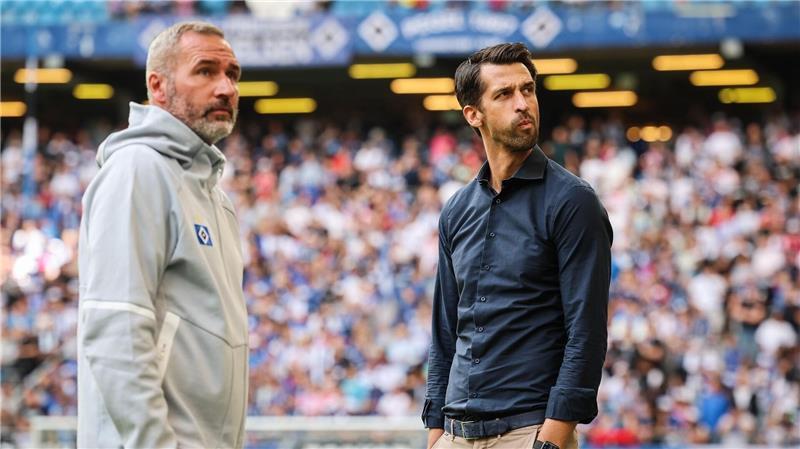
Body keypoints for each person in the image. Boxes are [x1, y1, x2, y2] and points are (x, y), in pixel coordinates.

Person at [423, 43, 613, 449]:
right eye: (504, 94)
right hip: (454, 435)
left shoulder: (573, 201)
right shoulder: (455, 211)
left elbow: (587, 331)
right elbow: (444, 333)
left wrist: (553, 438)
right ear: (473, 114)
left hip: (529, 433)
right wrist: (435, 433)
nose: (523, 103)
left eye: (528, 90)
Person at [77, 21, 248, 448]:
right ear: (158, 87)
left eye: (232, 74)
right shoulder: (138, 169)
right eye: (205, 71)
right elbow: (116, 325)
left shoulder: (215, 197)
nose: (226, 87)